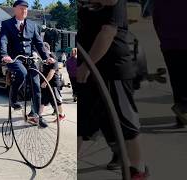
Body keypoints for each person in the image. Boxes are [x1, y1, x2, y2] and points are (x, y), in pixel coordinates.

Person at [77, 0, 149, 179]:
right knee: (84, 122)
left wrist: (86, 66)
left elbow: (108, 32)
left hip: (113, 69)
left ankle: (137, 171)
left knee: (126, 122)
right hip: (87, 68)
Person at [0, 0, 55, 128]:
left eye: (26, 9)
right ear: (14, 9)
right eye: (21, 8)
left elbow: (39, 43)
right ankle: (13, 99)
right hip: (14, 58)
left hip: (29, 59)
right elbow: (3, 40)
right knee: (22, 74)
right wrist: (4, 55)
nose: (24, 11)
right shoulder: (7, 24)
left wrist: (46, 57)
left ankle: (36, 115)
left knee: (36, 85)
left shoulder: (32, 25)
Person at [151, 0, 187, 128]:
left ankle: (181, 116)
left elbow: (156, 19)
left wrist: (163, 39)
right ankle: (183, 108)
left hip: (170, 44)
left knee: (177, 81)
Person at [39, 42, 66, 121]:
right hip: (47, 83)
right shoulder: (44, 58)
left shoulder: (52, 57)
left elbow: (52, 72)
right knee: (43, 99)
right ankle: (38, 116)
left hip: (53, 82)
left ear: (46, 49)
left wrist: (45, 82)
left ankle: (62, 115)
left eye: (42, 49)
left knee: (57, 101)